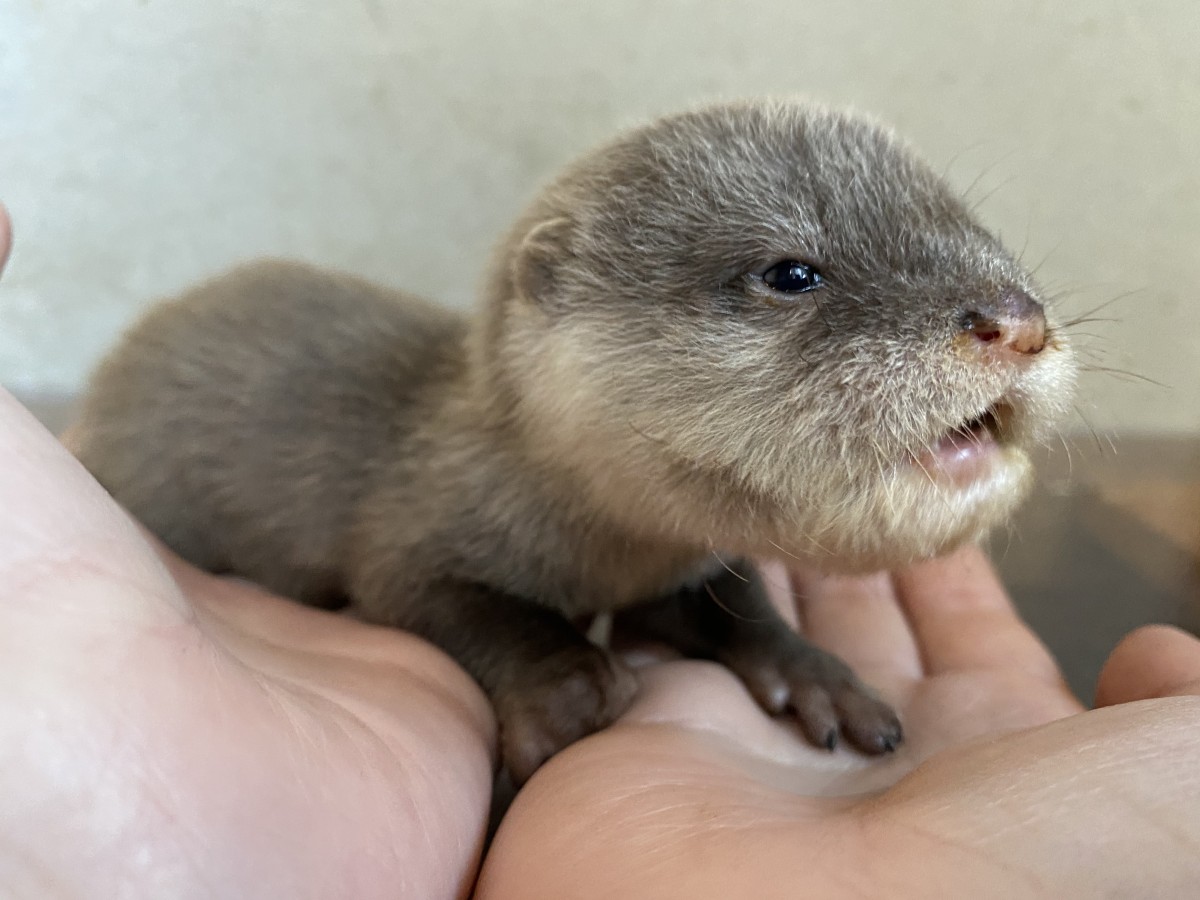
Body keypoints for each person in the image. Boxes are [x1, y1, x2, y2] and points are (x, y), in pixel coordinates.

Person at [1, 204, 1197, 898]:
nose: (1011, 327)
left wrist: (763, 637)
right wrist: (528, 661)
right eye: (792, 277)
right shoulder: (475, 477)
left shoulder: (675, 507)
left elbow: (669, 574)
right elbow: (422, 575)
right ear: (558, 297)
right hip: (192, 510)